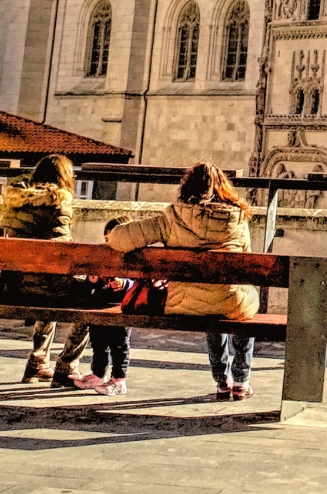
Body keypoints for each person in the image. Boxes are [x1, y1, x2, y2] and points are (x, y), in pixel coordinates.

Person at [107, 162, 259, 400]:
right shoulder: (238, 218)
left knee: (207, 302)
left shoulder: (172, 218)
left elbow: (118, 239)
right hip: (230, 302)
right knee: (236, 302)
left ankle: (222, 380)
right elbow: (246, 263)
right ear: (223, 189)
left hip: (183, 302)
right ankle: (241, 381)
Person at [1, 153, 88, 385]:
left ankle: (38, 364)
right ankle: (67, 366)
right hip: (42, 286)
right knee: (92, 297)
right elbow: (62, 255)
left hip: (11, 286)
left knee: (46, 281)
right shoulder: (59, 205)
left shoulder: (15, 202)